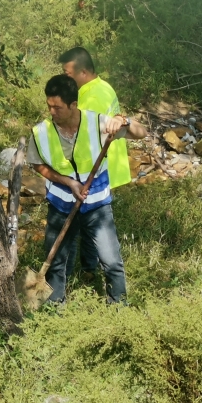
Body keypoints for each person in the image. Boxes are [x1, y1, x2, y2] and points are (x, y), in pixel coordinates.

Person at [26, 74, 147, 303]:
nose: (52, 112)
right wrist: (68, 182)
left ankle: (119, 310)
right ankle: (53, 313)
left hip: (97, 206)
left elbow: (142, 133)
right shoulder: (41, 132)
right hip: (61, 206)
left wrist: (124, 121)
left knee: (111, 262)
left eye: (57, 107)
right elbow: (37, 164)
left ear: (73, 105)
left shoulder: (98, 123)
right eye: (49, 106)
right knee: (56, 263)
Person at [59, 47, 131, 279]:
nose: (65, 78)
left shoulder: (92, 96)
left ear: (83, 72)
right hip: (106, 165)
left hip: (97, 169)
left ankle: (89, 270)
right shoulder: (101, 86)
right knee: (90, 221)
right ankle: (89, 269)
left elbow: (86, 137)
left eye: (68, 74)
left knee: (90, 221)